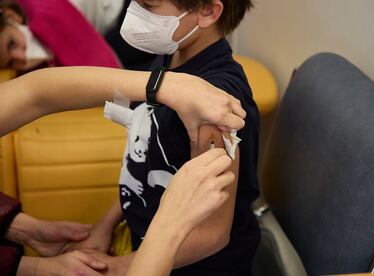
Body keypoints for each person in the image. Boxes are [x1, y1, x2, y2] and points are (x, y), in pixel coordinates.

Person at [70, 0, 260, 275]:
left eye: (148, 5)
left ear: (207, 11)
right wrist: (105, 226)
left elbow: (212, 234)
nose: (133, 12)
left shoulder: (213, 106)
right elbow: (144, 166)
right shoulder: (170, 57)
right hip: (144, 247)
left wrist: (118, 267)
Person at [0, 65, 245, 275]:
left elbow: (34, 93)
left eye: (149, 6)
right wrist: (169, 224)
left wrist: (21, 232)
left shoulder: (211, 92)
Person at [0, 0, 120, 72]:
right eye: (11, 63)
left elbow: (109, 73)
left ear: (12, 16)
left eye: (12, 44)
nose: (22, 57)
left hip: (120, 15)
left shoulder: (44, 12)